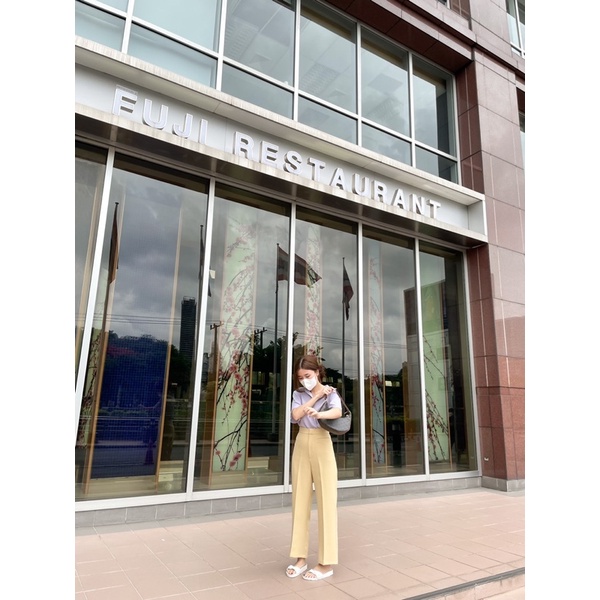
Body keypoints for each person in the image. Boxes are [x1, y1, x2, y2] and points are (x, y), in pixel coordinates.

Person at [286, 354, 342, 581]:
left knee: (327, 501)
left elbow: (337, 412)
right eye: (300, 377)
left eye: (307, 375)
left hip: (321, 441)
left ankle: (325, 563)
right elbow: (295, 415)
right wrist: (315, 397)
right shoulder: (298, 394)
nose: (304, 380)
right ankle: (300, 558)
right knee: (299, 500)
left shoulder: (331, 392)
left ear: (318, 372)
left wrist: (320, 413)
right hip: (302, 441)